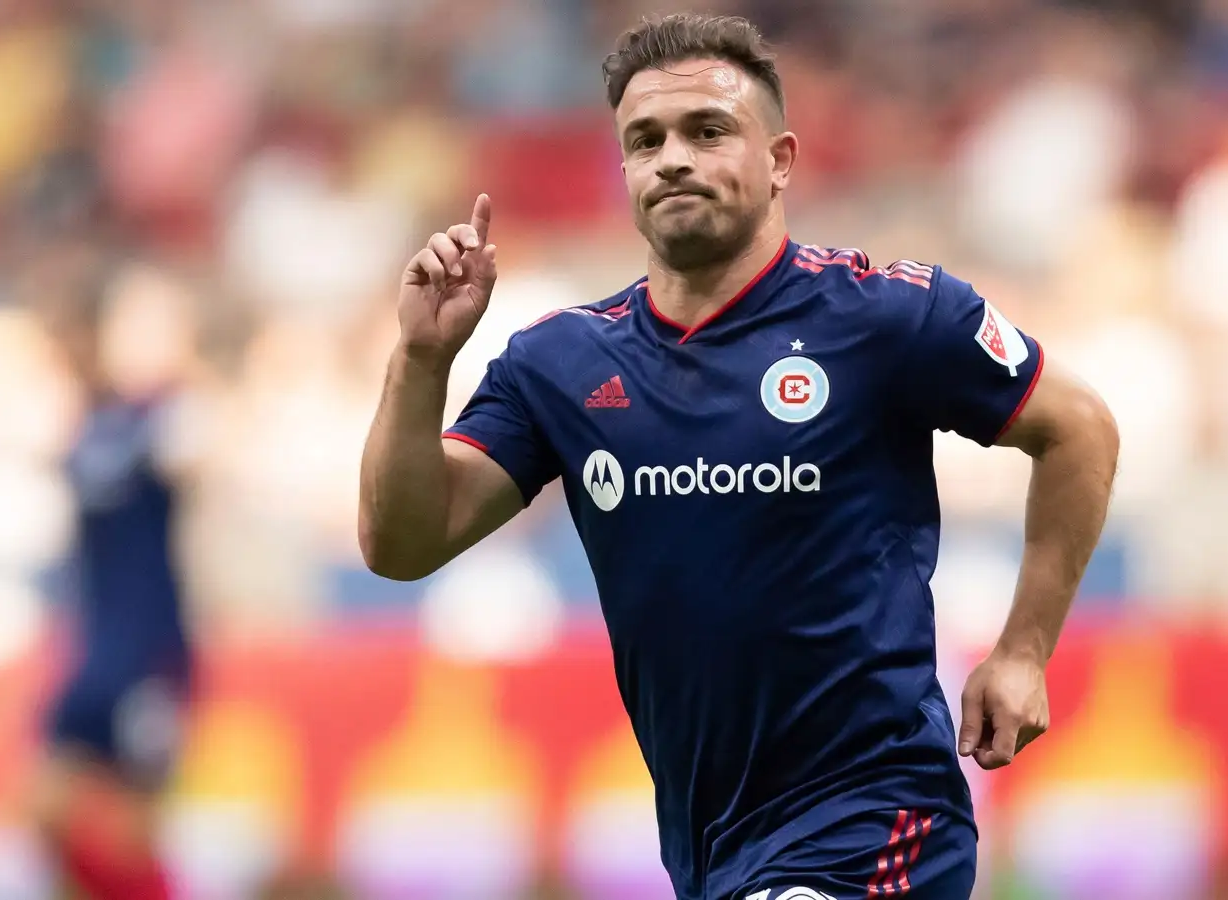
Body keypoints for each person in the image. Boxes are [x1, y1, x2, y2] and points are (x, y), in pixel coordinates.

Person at [358, 13, 1119, 900]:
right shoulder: (560, 363)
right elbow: (403, 544)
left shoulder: (886, 316)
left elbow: (1080, 428)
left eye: (707, 131)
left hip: (877, 815)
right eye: (645, 141)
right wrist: (421, 359)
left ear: (781, 159)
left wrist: (1024, 649)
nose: (672, 157)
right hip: (712, 842)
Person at [34, 265, 197, 900]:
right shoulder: (88, 420)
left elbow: (200, 457)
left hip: (151, 653)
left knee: (136, 830)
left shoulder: (178, 418)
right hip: (93, 649)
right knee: (44, 814)